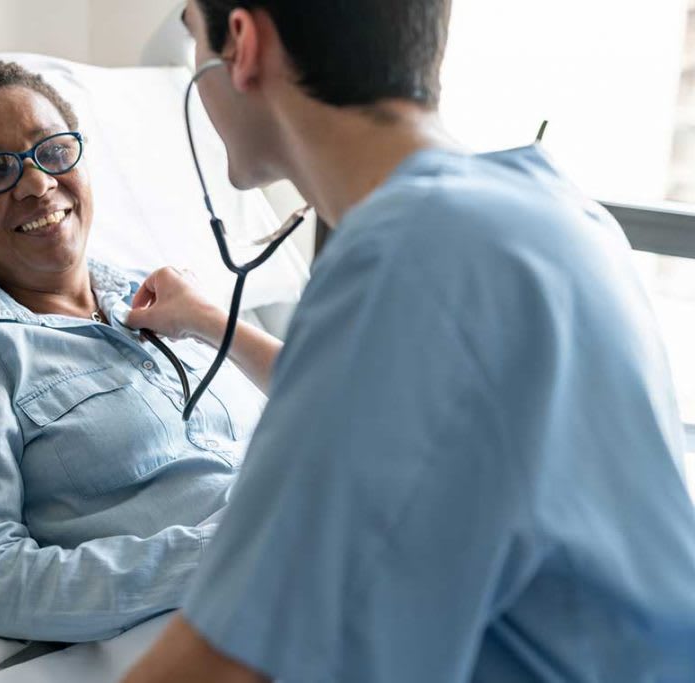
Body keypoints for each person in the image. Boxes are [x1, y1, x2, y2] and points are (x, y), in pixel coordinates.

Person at [124, 1, 695, 681]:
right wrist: (210, 320)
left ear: (241, 44)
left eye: (195, 38)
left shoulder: (413, 255)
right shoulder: (550, 212)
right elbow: (390, 416)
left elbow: (224, 662)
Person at [0, 61, 272, 643]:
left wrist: (208, 320)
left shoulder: (163, 297)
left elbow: (327, 406)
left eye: (51, 152)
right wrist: (234, 551)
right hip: (245, 611)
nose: (37, 184)